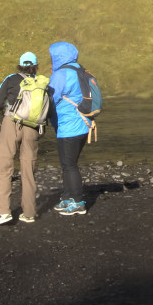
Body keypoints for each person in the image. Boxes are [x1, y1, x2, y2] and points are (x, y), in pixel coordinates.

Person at [0, 51, 45, 226]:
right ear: (35, 66)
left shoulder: (11, 79)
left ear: (20, 65)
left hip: (12, 123)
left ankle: (2, 212)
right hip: (33, 127)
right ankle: (29, 213)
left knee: (4, 165)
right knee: (28, 168)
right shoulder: (42, 83)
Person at [48, 41, 92, 216]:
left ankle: (78, 202)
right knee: (68, 164)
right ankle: (67, 197)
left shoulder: (61, 74)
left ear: (57, 56)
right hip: (84, 124)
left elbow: (51, 98)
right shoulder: (80, 70)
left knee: (69, 165)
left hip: (69, 126)